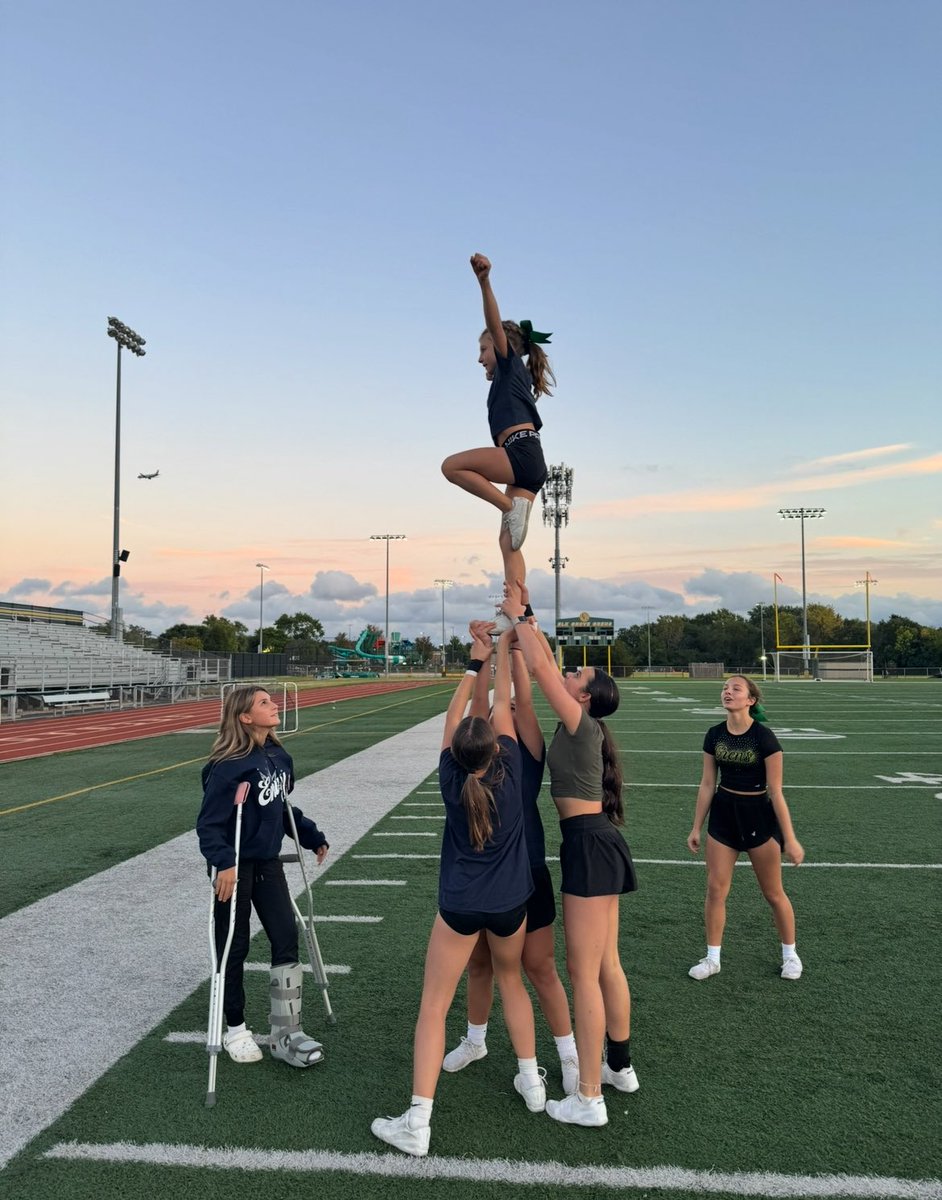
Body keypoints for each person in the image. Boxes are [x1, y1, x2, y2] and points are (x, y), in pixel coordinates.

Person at [371, 627, 544, 1157]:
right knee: (512, 982)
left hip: (461, 904)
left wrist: (473, 664)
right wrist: (506, 648)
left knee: (433, 1007)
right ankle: (533, 1083)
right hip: (513, 901)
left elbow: (456, 721)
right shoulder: (514, 769)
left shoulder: (452, 775)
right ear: (498, 746)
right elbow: (504, 707)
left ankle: (418, 1123)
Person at [503, 582, 639, 1129]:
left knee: (584, 973)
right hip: (599, 841)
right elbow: (543, 669)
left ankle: (588, 1097)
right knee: (606, 965)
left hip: (588, 844)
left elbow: (542, 671)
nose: (570, 672)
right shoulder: (577, 725)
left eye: (577, 676)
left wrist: (519, 617)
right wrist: (527, 621)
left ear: (584, 696)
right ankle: (618, 1067)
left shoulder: (581, 724)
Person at [442, 614, 579, 1096]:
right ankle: (475, 1040)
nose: (511, 707)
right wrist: (490, 648)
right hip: (491, 880)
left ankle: (569, 1056)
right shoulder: (484, 751)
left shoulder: (527, 750)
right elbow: (484, 705)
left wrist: (508, 649)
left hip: (526, 874)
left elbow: (510, 699)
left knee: (539, 968)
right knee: (480, 966)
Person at [197, 685, 329, 1067]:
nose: (275, 706)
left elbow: (282, 807)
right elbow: (209, 824)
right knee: (233, 946)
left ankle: (286, 1031)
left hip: (267, 863)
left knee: (286, 935)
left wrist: (310, 836)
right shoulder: (226, 766)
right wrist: (223, 862)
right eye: (265, 703)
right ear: (245, 717)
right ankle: (235, 1029)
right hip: (234, 867)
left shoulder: (278, 756)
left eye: (272, 701)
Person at [441, 253, 555, 587]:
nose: (479, 358)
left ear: (500, 347)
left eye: (483, 350)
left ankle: (508, 506)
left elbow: (494, 324)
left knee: (452, 467)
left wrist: (484, 281)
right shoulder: (508, 379)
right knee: (509, 543)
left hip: (520, 453)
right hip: (529, 461)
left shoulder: (510, 364)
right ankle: (520, 607)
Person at [686, 674, 805, 981]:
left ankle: (790, 955)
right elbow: (708, 783)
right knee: (715, 889)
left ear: (750, 700)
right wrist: (696, 826)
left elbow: (776, 792)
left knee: (773, 892)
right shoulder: (714, 734)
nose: (728, 692)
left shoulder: (764, 738)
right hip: (724, 815)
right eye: (725, 688)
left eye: (735, 688)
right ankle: (712, 958)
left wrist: (790, 839)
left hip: (757, 816)